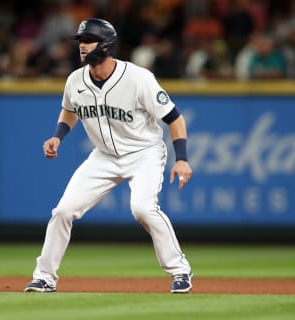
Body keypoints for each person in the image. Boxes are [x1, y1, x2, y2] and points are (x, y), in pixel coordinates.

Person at [24, 18, 193, 294]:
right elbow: (70, 110)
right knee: (63, 211)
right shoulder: (75, 80)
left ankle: (180, 270)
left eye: (87, 40)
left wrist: (182, 158)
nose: (81, 46)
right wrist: (58, 135)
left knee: (142, 209)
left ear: (105, 45)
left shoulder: (139, 78)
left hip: (144, 153)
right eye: (80, 41)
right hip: (103, 157)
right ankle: (44, 277)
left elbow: (175, 119)